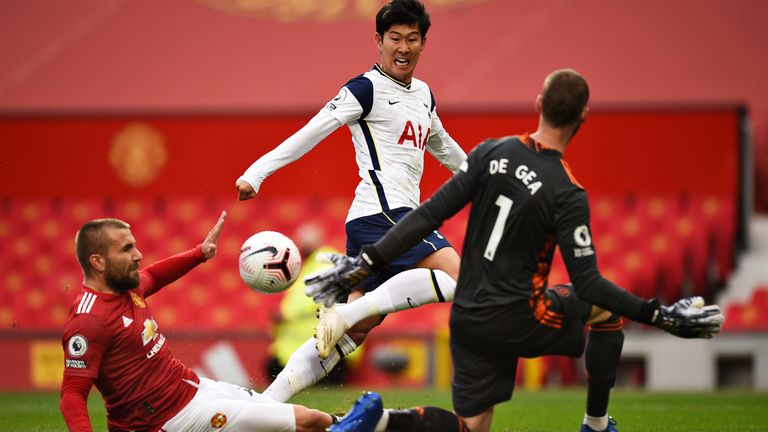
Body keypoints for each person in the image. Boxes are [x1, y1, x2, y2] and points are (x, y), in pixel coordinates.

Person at [305, 69, 725, 432]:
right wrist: (659, 315)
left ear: (539, 103)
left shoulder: (490, 153)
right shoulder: (568, 192)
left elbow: (426, 215)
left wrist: (362, 265)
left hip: (469, 313)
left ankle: (383, 422)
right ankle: (595, 424)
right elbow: (589, 283)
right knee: (606, 313)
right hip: (521, 314)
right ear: (584, 117)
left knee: (468, 426)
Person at [236, 0, 465, 402]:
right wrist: (257, 172)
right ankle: (346, 311)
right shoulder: (365, 88)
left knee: (351, 334)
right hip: (385, 214)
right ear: (378, 40)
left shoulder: (424, 95)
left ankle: (264, 405)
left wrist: (487, 178)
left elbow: (444, 147)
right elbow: (313, 130)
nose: (404, 46)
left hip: (380, 220)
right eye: (395, 37)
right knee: (459, 277)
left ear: (423, 43)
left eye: (413, 38)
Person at [59, 212, 336, 432]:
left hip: (192, 390)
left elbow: (154, 276)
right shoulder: (88, 320)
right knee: (307, 421)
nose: (138, 255)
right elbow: (72, 393)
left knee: (280, 411)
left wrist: (199, 253)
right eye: (127, 248)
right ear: (98, 261)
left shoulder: (126, 288)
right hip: (167, 421)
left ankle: (368, 421)